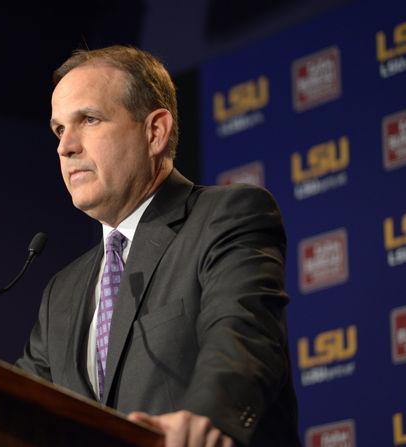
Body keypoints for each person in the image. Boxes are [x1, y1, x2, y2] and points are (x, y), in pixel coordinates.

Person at [16, 45, 300, 447]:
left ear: (155, 132)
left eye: (89, 120)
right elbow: (13, 407)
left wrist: (206, 419)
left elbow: (243, 336)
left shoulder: (227, 216)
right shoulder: (61, 292)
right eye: (60, 129)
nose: (65, 147)